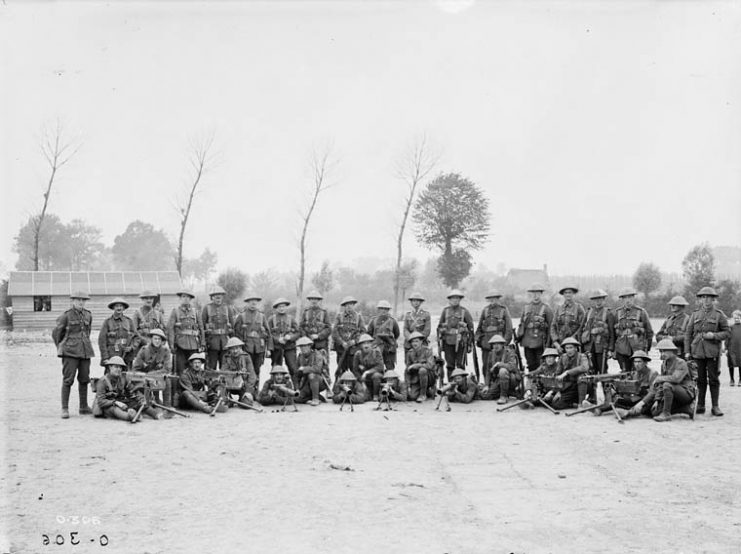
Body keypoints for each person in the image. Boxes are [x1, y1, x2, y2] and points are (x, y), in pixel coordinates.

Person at [622, 339, 695, 422]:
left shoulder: (680, 362)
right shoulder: (664, 364)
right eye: (661, 351)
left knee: (667, 385)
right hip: (672, 393)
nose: (662, 354)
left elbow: (676, 379)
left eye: (664, 351)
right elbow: (658, 385)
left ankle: (666, 414)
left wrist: (659, 378)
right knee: (655, 412)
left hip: (686, 393)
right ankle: (685, 408)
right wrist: (657, 400)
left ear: (672, 351)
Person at [684, 286, 730, 416]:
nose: (706, 300)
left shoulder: (719, 315)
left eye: (709, 298)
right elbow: (688, 334)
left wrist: (714, 336)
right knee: (700, 379)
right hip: (697, 351)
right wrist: (687, 351)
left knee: (714, 379)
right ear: (700, 300)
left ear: (713, 300)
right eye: (703, 297)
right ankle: (701, 404)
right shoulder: (695, 315)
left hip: (712, 352)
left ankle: (715, 406)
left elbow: (727, 332)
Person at [53, 291, 95, 419]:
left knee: (84, 379)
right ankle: (65, 409)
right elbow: (56, 333)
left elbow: (87, 332)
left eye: (83, 300)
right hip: (70, 352)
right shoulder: (66, 316)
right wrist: (62, 347)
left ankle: (83, 407)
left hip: (85, 351)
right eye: (78, 300)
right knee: (68, 380)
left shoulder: (88, 315)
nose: (81, 302)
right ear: (73, 301)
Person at [93, 356, 152, 422]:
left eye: (120, 367)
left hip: (121, 402)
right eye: (116, 367)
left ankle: (156, 414)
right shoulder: (102, 381)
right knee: (114, 409)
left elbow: (133, 390)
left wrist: (141, 399)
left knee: (138, 403)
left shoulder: (123, 378)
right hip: (108, 406)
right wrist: (115, 402)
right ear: (110, 367)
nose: (118, 369)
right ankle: (130, 417)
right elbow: (101, 401)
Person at [611, 287, 653, 372]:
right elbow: (612, 333)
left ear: (633, 298)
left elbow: (649, 332)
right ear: (622, 300)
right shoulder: (617, 313)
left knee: (638, 372)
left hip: (637, 348)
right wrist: (612, 349)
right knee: (624, 372)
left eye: (630, 297)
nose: (628, 300)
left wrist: (647, 349)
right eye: (625, 298)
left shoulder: (641, 312)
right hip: (621, 349)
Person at [516, 283, 554, 373]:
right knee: (530, 363)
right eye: (533, 293)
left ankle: (540, 384)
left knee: (541, 364)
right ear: (531, 295)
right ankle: (532, 384)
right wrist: (518, 337)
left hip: (540, 342)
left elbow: (551, 328)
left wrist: (549, 343)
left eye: (538, 293)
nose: (535, 296)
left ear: (541, 294)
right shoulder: (526, 308)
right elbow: (521, 324)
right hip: (527, 341)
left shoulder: (546, 309)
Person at [437, 290, 474, 379]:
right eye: (453, 298)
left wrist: (469, 343)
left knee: (460, 364)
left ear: (460, 300)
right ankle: (450, 386)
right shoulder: (445, 311)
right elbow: (439, 326)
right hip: (448, 342)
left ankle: (462, 385)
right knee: (450, 365)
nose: (455, 300)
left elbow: (471, 329)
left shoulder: (464, 311)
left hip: (461, 342)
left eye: (457, 298)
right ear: (449, 300)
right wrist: (442, 331)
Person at [233, 293, 272, 379]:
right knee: (246, 368)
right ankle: (247, 389)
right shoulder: (241, 316)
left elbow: (268, 333)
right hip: (246, 347)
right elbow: (235, 332)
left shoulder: (262, 316)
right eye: (251, 303)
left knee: (257, 369)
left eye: (255, 303)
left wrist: (269, 349)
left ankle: (256, 389)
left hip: (259, 348)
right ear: (247, 303)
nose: (253, 305)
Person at [167, 290, 205, 375]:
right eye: (183, 297)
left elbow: (201, 328)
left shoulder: (195, 312)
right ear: (180, 298)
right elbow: (170, 328)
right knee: (180, 369)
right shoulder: (175, 311)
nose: (185, 299)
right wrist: (171, 344)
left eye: (188, 297)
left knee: (194, 368)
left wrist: (202, 343)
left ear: (191, 299)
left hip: (194, 344)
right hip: (180, 345)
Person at [545, 337, 589, 410]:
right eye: (567, 348)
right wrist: (557, 391)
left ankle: (581, 404)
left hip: (584, 385)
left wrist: (567, 372)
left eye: (571, 347)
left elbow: (584, 367)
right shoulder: (563, 357)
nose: (569, 350)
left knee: (582, 377)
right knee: (556, 405)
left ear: (575, 348)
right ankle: (574, 403)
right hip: (569, 386)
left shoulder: (582, 356)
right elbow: (557, 374)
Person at [474, 290, 513, 371]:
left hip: (499, 344)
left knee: (498, 366)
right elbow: (479, 327)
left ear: (498, 299)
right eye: (490, 299)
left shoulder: (503, 310)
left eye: (494, 298)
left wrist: (505, 343)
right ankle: (486, 383)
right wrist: (477, 339)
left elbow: (509, 329)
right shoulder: (485, 310)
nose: (492, 300)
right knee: (485, 366)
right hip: (486, 343)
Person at [579, 289, 616, 374]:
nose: (598, 301)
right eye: (595, 299)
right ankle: (592, 387)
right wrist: (581, 347)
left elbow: (612, 333)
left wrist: (610, 349)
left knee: (602, 370)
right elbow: (581, 330)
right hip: (588, 346)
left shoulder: (608, 313)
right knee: (590, 370)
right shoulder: (588, 312)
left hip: (602, 347)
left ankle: (604, 386)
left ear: (604, 300)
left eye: (600, 299)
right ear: (593, 300)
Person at [202, 286, 236, 370]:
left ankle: (223, 383)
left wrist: (233, 342)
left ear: (222, 297)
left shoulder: (228, 308)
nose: (218, 298)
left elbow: (233, 326)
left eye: (220, 296)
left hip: (225, 342)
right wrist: (203, 341)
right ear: (212, 297)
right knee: (211, 367)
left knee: (225, 367)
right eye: (216, 296)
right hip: (211, 342)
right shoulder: (207, 308)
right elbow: (201, 326)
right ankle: (210, 383)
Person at [268, 298, 300, 386]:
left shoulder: (291, 319)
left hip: (289, 347)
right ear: (276, 308)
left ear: (286, 307)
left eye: (283, 306)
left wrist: (290, 337)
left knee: (293, 368)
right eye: (279, 307)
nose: (281, 308)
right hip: (277, 348)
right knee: (276, 369)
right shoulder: (271, 319)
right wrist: (278, 339)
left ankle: (297, 388)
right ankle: (274, 388)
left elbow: (298, 332)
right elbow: (268, 334)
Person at [98, 297, 137, 368]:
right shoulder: (107, 322)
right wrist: (105, 357)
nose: (119, 308)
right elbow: (102, 341)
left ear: (124, 308)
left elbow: (136, 337)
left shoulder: (129, 321)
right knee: (111, 376)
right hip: (112, 356)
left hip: (126, 355)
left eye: (121, 306)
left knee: (126, 377)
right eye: (116, 306)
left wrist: (131, 347)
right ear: (113, 308)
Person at [332, 296, 366, 375]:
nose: (349, 307)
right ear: (344, 306)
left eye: (351, 304)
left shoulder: (359, 317)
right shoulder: (339, 316)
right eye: (347, 305)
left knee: (355, 370)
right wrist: (342, 342)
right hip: (341, 349)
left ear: (354, 305)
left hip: (354, 349)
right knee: (341, 371)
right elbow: (334, 332)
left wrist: (355, 341)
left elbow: (363, 331)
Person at [479, 335, 519, 404]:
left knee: (502, 371)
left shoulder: (509, 353)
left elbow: (512, 367)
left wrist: (500, 364)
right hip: (498, 380)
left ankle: (503, 396)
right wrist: (487, 385)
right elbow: (488, 371)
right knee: (485, 396)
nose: (496, 346)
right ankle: (505, 392)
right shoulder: (491, 354)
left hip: (511, 379)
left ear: (502, 344)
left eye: (498, 343)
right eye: (494, 344)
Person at [219, 337, 258, 407]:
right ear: (229, 349)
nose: (235, 351)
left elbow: (252, 375)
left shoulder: (246, 357)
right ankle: (228, 399)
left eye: (237, 348)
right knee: (225, 403)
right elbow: (223, 372)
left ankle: (243, 397)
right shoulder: (225, 357)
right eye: (232, 349)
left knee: (246, 404)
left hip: (244, 385)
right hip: (229, 385)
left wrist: (248, 391)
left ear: (241, 348)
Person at [550, 285, 586, 354]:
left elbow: (583, 326)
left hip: (575, 344)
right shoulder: (559, 309)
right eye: (566, 293)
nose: (568, 294)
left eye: (570, 292)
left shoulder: (578, 308)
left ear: (573, 294)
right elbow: (553, 326)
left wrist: (572, 340)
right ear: (563, 295)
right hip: (561, 344)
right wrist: (555, 342)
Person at [367, 300, 401, 370]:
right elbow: (369, 334)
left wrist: (391, 342)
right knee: (376, 368)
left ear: (388, 310)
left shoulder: (393, 321)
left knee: (390, 368)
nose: (383, 311)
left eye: (386, 309)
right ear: (378, 309)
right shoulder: (373, 321)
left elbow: (397, 334)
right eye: (381, 308)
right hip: (377, 348)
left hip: (389, 348)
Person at [295, 336, 328, 406]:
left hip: (320, 381)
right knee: (297, 398)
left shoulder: (317, 354)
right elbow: (297, 372)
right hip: (306, 382)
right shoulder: (300, 356)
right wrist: (297, 388)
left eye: (305, 346)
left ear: (310, 346)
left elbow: (318, 369)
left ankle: (315, 398)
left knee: (312, 375)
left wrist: (304, 369)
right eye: (301, 347)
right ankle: (317, 397)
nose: (303, 348)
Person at [404, 331, 436, 403]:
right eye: (413, 342)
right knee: (412, 396)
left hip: (429, 376)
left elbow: (430, 365)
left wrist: (417, 365)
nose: (414, 343)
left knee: (422, 370)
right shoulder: (410, 353)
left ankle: (423, 394)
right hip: (416, 378)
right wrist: (408, 386)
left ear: (421, 342)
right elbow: (407, 370)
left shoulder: (427, 351)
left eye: (417, 341)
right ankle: (426, 390)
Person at [354, 333, 385, 400]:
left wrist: (367, 372)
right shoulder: (358, 354)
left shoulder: (376, 352)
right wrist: (361, 381)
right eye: (364, 343)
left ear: (371, 344)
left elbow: (380, 366)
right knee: (364, 397)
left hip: (376, 376)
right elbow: (355, 370)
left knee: (376, 376)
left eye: (368, 343)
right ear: (360, 345)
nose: (366, 346)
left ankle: (375, 395)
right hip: (363, 378)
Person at [726, 310, 741, 386]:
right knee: (731, 364)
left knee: (740, 363)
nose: (736, 319)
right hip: (731, 348)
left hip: (740, 348)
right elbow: (727, 338)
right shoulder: (730, 328)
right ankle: (732, 379)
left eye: (738, 318)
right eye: (735, 318)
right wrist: (726, 348)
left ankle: (740, 380)